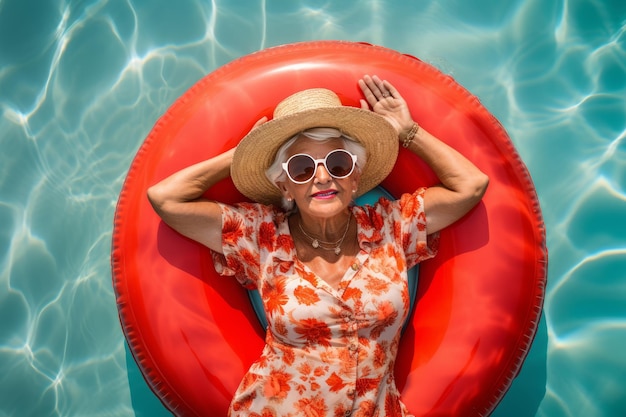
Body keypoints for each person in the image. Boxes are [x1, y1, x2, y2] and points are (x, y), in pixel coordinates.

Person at [147, 75, 489, 417]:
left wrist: (408, 132)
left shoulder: (391, 226)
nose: (323, 177)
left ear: (355, 178)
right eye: (301, 168)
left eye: (338, 164)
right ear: (285, 186)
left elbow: (471, 186)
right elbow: (166, 199)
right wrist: (239, 156)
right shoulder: (260, 235)